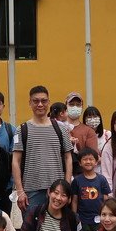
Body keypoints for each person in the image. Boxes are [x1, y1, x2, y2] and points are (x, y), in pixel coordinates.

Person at [13, 85, 73, 213]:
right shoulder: (22, 130)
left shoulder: (61, 129)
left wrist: (67, 187)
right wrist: (20, 191)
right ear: (30, 103)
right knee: (32, 225)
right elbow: (16, 161)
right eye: (36, 101)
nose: (40, 104)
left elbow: (68, 158)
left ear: (49, 102)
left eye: (44, 101)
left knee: (57, 225)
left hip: (58, 192)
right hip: (31, 192)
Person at [71, 147, 111, 231]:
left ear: (96, 162)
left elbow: (106, 199)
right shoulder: (77, 180)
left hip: (98, 218)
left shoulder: (102, 179)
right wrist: (74, 217)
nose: (88, 162)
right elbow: (74, 200)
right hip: (82, 219)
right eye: (85, 159)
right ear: (80, 163)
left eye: (91, 159)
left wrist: (106, 215)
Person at [64, 91, 98, 173]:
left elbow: (92, 157)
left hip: (81, 175)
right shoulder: (58, 127)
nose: (75, 107)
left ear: (82, 107)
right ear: (65, 106)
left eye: (78, 105)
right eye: (71, 104)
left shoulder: (89, 131)